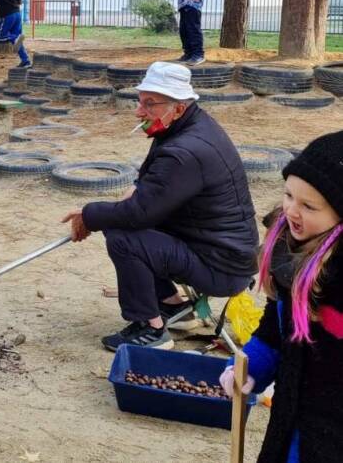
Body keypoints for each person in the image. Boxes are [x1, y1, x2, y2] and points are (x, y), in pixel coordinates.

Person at [61, 62, 258, 351]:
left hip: (221, 265)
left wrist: (89, 214)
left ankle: (151, 329)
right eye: (140, 102)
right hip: (218, 248)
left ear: (178, 107)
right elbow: (150, 184)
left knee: (122, 235)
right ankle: (171, 304)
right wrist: (134, 192)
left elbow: (139, 213)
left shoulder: (186, 150)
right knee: (123, 221)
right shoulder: (185, 126)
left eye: (150, 104)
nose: (140, 112)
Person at [219, 132, 343, 462]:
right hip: (294, 424)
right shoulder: (289, 254)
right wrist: (247, 368)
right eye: (288, 195)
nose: (291, 210)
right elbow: (275, 333)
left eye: (308, 205)